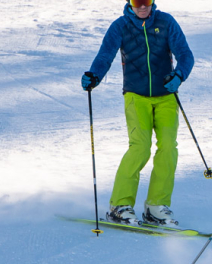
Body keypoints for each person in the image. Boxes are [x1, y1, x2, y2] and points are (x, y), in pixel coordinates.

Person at [82, 0, 193, 226]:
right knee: (140, 147)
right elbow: (105, 55)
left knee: (168, 148)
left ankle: (156, 206)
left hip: (166, 96)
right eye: (136, 2)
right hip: (136, 96)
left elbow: (185, 55)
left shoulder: (166, 22)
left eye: (146, 1)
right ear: (129, 3)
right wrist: (94, 75)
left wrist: (179, 76)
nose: (142, 7)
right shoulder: (120, 26)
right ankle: (119, 205)